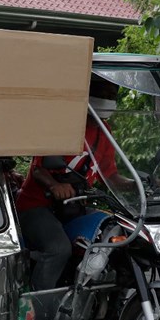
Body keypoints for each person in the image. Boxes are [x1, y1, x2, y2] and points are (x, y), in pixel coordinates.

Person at [16, 85, 126, 291]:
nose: (107, 99)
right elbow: (39, 169)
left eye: (112, 95)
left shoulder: (104, 132)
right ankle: (39, 311)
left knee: (117, 238)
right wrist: (55, 185)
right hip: (35, 206)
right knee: (58, 249)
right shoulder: (64, 125)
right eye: (102, 93)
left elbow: (110, 175)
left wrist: (138, 185)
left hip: (74, 207)